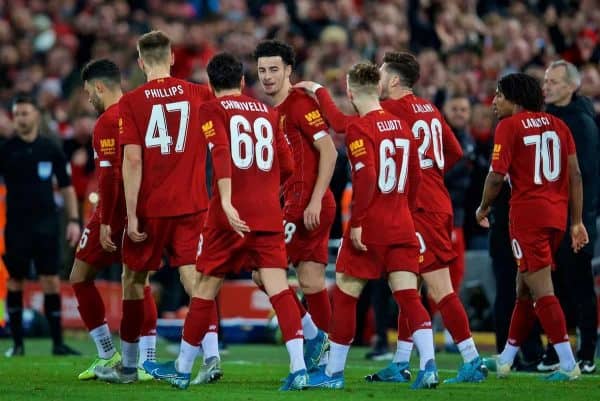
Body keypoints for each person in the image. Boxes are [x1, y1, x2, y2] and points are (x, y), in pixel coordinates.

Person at [296, 51, 486, 384]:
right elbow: (454, 152)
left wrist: (318, 90)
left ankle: (469, 359)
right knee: (408, 285)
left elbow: (343, 125)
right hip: (432, 203)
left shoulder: (391, 111)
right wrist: (431, 176)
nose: (378, 79)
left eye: (382, 74)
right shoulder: (428, 108)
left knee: (436, 288)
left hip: (412, 208)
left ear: (394, 80)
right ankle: (402, 361)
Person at [143, 52, 308, 391]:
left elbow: (220, 153)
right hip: (267, 214)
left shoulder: (212, 109)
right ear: (243, 81)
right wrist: (265, 192)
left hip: (227, 216)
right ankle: (300, 367)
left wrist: (230, 200)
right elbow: (289, 165)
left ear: (209, 83)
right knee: (279, 288)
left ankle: (183, 368)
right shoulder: (268, 111)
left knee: (204, 288)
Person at [94, 30, 220, 384]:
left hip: (150, 208)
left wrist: (131, 213)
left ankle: (130, 366)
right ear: (172, 58)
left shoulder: (131, 102)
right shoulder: (198, 93)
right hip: (193, 204)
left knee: (133, 280)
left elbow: (132, 160)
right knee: (195, 278)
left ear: (139, 62)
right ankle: (210, 357)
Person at [306, 62, 438, 390]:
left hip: (371, 224)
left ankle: (334, 374)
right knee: (409, 296)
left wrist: (357, 223)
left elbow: (365, 177)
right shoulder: (404, 126)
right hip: (402, 224)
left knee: (347, 294)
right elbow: (417, 178)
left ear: (350, 93)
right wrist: (405, 212)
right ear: (378, 89)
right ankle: (430, 366)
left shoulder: (359, 129)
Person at [476, 72, 587, 381]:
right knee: (523, 288)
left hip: (527, 218)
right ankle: (507, 358)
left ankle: (568, 363)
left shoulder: (508, 127)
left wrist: (483, 207)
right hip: (556, 217)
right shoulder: (559, 125)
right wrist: (576, 221)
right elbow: (575, 175)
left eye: (499, 95)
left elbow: (496, 176)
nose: (495, 101)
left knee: (541, 290)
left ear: (516, 99)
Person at [70, 58, 156, 381]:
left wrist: (106, 219)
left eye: (89, 92)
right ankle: (147, 360)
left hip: (116, 211)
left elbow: (108, 177)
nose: (88, 98)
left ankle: (108, 353)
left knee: (80, 276)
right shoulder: (140, 112)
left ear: (99, 87)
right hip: (144, 209)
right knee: (138, 282)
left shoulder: (108, 120)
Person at [253, 39, 337, 370]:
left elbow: (329, 151)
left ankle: (314, 337)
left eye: (274, 69)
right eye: (262, 70)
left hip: (306, 202)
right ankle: (330, 355)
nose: (268, 76)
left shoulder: (300, 104)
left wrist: (314, 200)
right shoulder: (273, 113)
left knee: (263, 272)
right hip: (300, 200)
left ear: (289, 70)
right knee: (312, 282)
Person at [0, 93, 81, 356]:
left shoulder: (51, 148)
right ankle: (18, 344)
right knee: (15, 281)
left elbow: (67, 187)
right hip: (16, 225)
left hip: (47, 224)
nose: (21, 118)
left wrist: (73, 220)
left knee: (51, 281)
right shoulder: (6, 149)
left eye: (25, 113)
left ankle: (57, 343)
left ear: (36, 114)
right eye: (17, 114)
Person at [539, 60, 599, 374]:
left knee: (578, 286)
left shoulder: (581, 122)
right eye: (546, 80)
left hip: (575, 218)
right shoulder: (549, 117)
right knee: (556, 286)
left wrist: (581, 220)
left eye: (554, 82)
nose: (546, 86)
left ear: (572, 86)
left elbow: (586, 175)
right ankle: (557, 348)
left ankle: (587, 350)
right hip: (552, 215)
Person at [441, 94, 476, 352]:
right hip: (443, 216)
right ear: (445, 109)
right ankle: (438, 333)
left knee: (455, 277)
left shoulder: (470, 139)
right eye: (455, 107)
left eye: (464, 108)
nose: (460, 113)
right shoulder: (440, 135)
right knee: (439, 279)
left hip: (459, 217)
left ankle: (445, 333)